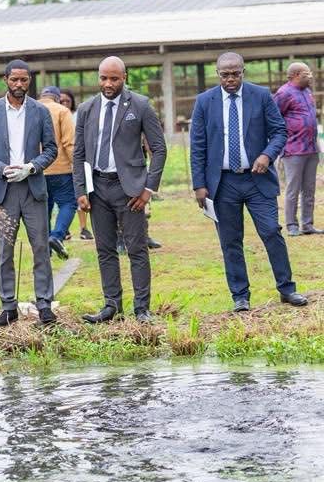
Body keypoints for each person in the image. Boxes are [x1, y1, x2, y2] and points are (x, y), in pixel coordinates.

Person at [190, 52, 309, 312]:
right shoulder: (204, 102)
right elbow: (197, 146)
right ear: (217, 73)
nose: (230, 79)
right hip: (222, 183)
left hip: (257, 180)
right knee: (230, 241)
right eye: (225, 74)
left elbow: (280, 131)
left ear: (243, 72)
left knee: (271, 232)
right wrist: (199, 185)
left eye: (235, 74)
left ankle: (287, 289)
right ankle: (240, 297)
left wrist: (267, 155)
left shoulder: (261, 95)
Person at [72, 57, 167, 324]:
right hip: (97, 189)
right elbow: (78, 153)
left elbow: (159, 149)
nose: (108, 83)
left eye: (114, 78)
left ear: (124, 77)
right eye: (103, 78)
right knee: (105, 249)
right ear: (98, 77)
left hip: (130, 190)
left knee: (137, 248)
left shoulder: (140, 105)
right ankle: (111, 306)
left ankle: (142, 309)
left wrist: (148, 188)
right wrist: (81, 189)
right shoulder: (87, 108)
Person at [0, 59, 58, 327]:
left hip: (33, 189)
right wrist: (1, 169)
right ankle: (8, 305)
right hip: (5, 189)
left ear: (29, 81)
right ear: (5, 80)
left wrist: (32, 167)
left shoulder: (40, 111)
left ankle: (44, 304)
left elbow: (51, 149)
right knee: (5, 251)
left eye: (24, 80)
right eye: (14, 80)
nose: (19, 85)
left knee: (41, 247)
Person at [274, 62, 320, 236]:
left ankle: (307, 225)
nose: (310, 76)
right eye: (306, 74)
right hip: (293, 149)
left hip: (311, 148)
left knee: (309, 189)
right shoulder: (283, 93)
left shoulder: (307, 92)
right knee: (293, 189)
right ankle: (292, 225)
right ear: (295, 75)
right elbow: (274, 118)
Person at [37, 86, 76, 260]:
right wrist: (78, 166)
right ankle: (57, 236)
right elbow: (68, 142)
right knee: (69, 203)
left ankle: (45, 249)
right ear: (57, 98)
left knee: (43, 207)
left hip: (35, 169)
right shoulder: (62, 111)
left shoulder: (28, 109)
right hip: (60, 168)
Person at [59, 88, 92, 241]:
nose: (64, 103)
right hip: (62, 164)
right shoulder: (55, 115)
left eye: (67, 100)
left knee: (81, 195)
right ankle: (64, 230)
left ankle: (84, 228)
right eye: (61, 101)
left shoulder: (77, 116)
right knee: (66, 200)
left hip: (77, 160)